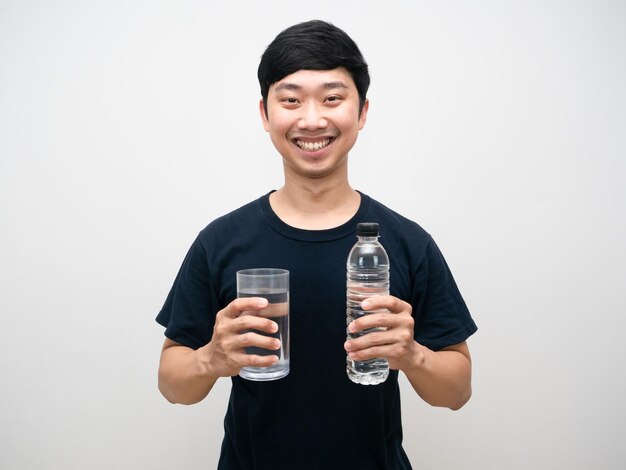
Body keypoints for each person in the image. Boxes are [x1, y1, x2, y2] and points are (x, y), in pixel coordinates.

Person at [156, 19, 477, 470]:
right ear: (266, 115)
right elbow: (172, 384)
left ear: (362, 112)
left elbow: (457, 392)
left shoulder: (407, 242)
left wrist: (412, 355)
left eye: (332, 98)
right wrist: (211, 358)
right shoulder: (220, 242)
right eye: (290, 100)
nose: (311, 119)